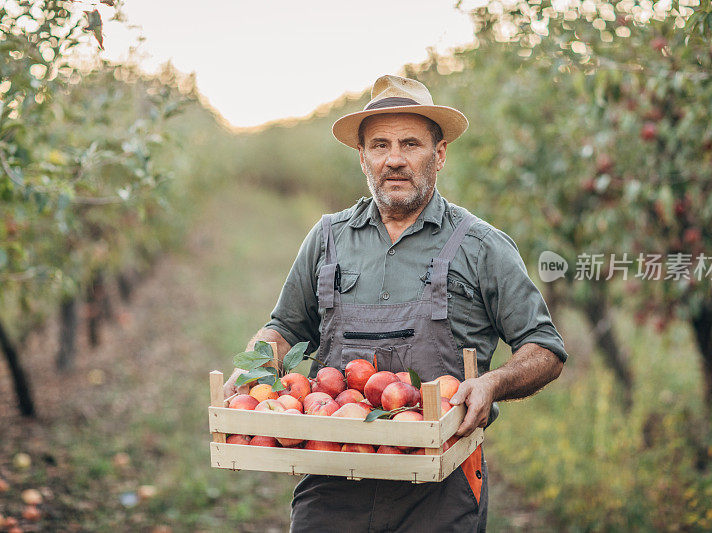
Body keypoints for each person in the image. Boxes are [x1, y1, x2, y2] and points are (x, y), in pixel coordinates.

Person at [224, 74, 568, 532]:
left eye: (411, 144)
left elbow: (544, 347)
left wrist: (493, 383)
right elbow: (284, 327)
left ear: (440, 153)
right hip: (332, 477)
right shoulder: (327, 238)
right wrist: (253, 373)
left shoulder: (482, 246)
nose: (395, 160)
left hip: (439, 487)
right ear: (362, 156)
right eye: (380, 145)